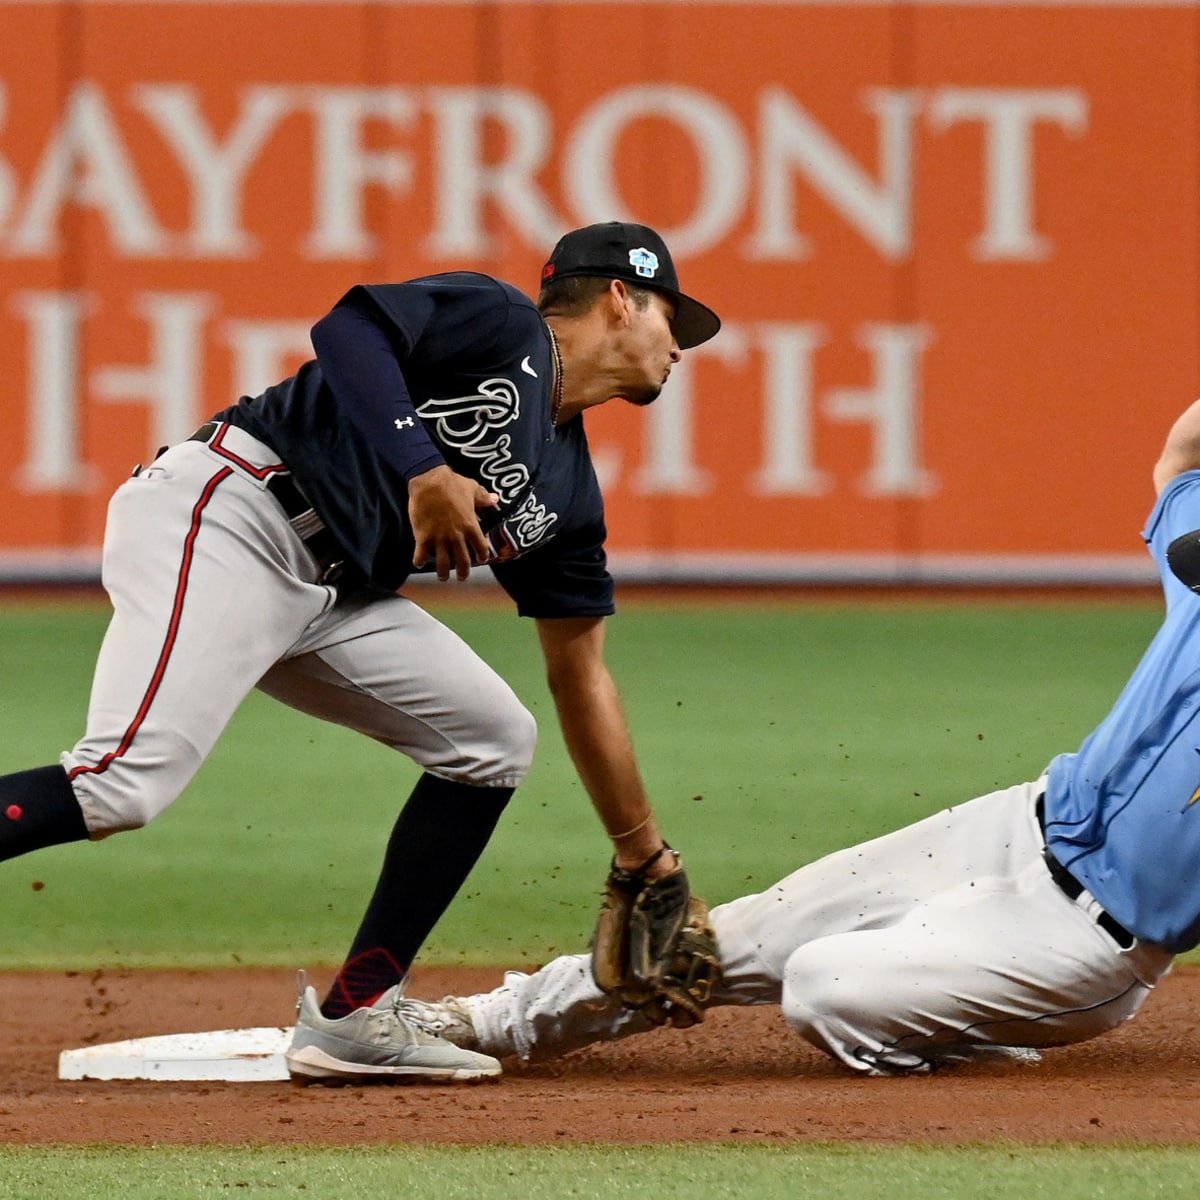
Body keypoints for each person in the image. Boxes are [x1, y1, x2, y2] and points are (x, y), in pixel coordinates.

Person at [0, 222, 722, 1083]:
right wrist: (423, 468)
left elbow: (582, 673)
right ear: (619, 296)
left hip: (333, 592)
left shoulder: (567, 493)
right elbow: (349, 329)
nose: (681, 347)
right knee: (121, 783)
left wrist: (642, 852)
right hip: (235, 510)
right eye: (671, 319)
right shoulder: (502, 324)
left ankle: (356, 1014)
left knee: (492, 739)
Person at [395, 395, 1200, 1075]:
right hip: (1019, 826)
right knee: (734, 938)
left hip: (1086, 944)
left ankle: (959, 1026)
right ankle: (494, 1022)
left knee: (825, 986)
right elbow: (1182, 455)